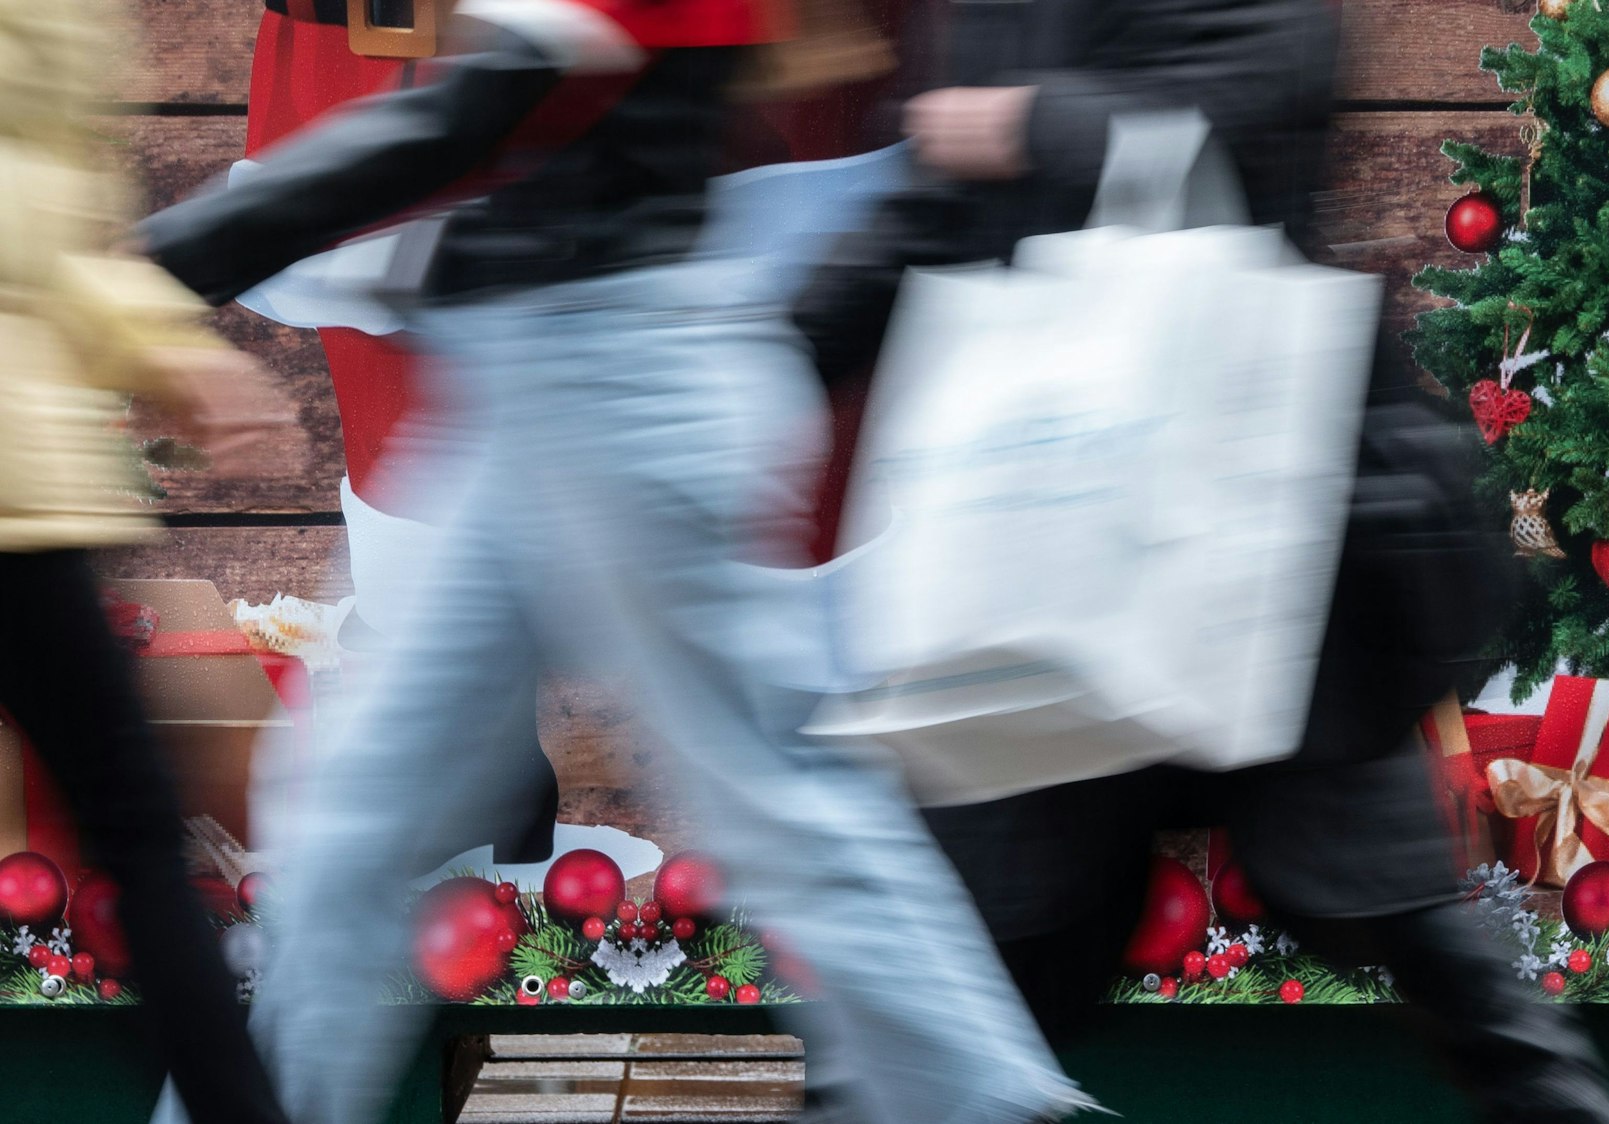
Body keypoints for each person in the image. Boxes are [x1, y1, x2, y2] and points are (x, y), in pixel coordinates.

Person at [135, 2, 1086, 1122]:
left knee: (777, 803)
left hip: (614, 378)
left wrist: (158, 267)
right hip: (553, 367)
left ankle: (988, 1104)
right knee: (358, 817)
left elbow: (483, 106)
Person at [792, 0, 1609, 1119]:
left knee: (1424, 946)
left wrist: (1031, 123)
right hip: (1042, 558)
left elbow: (1266, 92)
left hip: (1258, 544)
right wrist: (779, 352)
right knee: (954, 980)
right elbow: (936, 194)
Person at [0, 0, 292, 1120]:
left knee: (133, 827)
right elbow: (52, 236)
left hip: (33, 482)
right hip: (29, 490)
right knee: (136, 831)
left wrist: (162, 346)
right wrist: (162, 344)